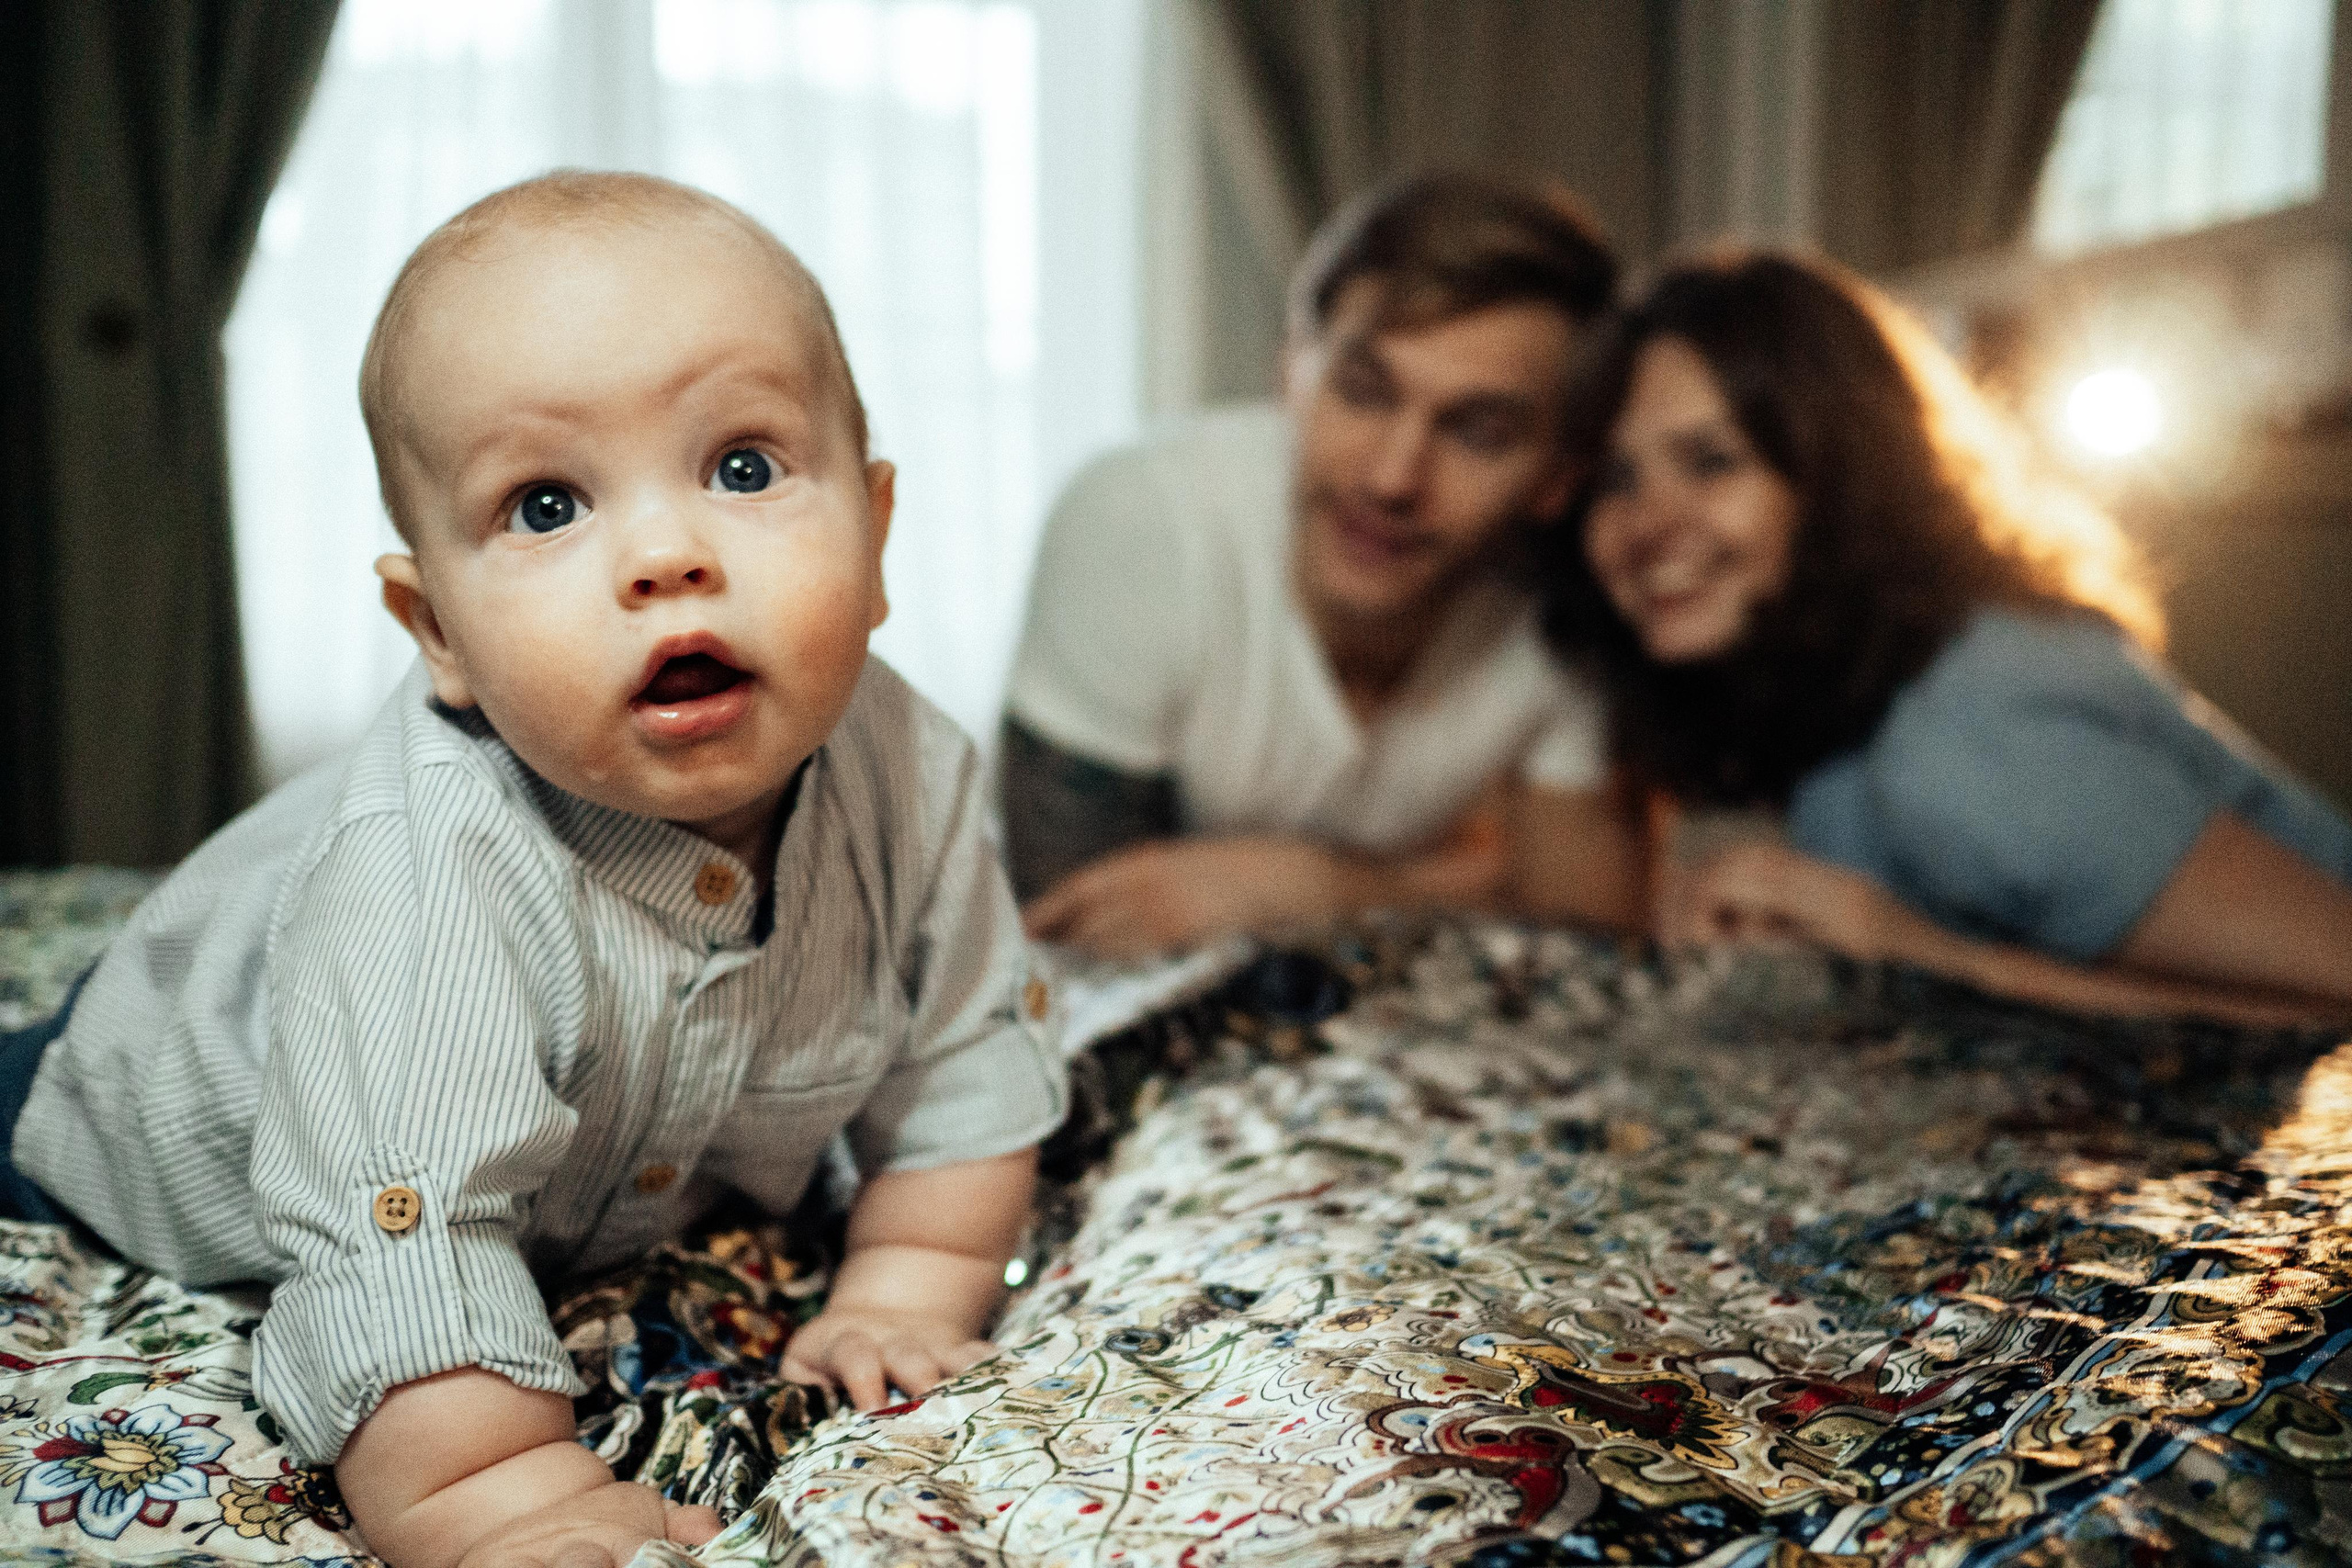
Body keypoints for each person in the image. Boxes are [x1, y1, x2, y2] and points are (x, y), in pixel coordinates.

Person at [0, 173, 1066, 1568]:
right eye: (548, 502)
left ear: (874, 536)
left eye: (743, 467)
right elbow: (402, 1240)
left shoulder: (913, 778)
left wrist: (910, 1280)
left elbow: (965, 1057)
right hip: (162, 1100)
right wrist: (502, 1490)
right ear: (434, 626)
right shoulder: (427, 881)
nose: (669, 555)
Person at [1538, 251, 2352, 1026]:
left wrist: (1920, 958)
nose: (1645, 525)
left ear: (1840, 473)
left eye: (1713, 462)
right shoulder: (1829, 710)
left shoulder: (1967, 734)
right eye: (1616, 480)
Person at [1001, 172, 1647, 960]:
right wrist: (1446, 883)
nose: (1393, 476)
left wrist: (1315, 885)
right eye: (1364, 390)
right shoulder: (1142, 520)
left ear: (1558, 479)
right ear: (1292, 374)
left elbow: (1585, 949)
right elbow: (1078, 932)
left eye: (1478, 431)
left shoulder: (1564, 604)